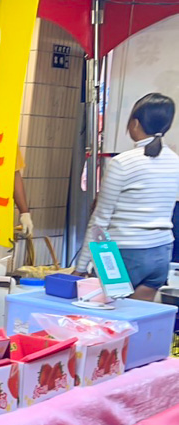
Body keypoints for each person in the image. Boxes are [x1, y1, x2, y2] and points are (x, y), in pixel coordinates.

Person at [75, 93, 179, 300]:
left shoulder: (123, 163)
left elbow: (99, 220)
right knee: (136, 323)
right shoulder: (175, 162)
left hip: (123, 255)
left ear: (135, 123)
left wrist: (81, 266)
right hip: (160, 253)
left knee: (105, 322)